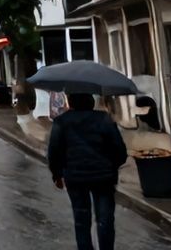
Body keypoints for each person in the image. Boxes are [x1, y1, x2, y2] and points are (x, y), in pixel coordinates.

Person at [47, 93, 128, 250]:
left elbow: (54, 151)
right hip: (103, 177)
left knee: (81, 218)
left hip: (75, 178)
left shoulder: (61, 122)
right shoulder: (104, 119)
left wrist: (57, 174)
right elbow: (119, 150)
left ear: (70, 102)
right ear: (91, 102)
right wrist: (112, 167)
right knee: (105, 219)